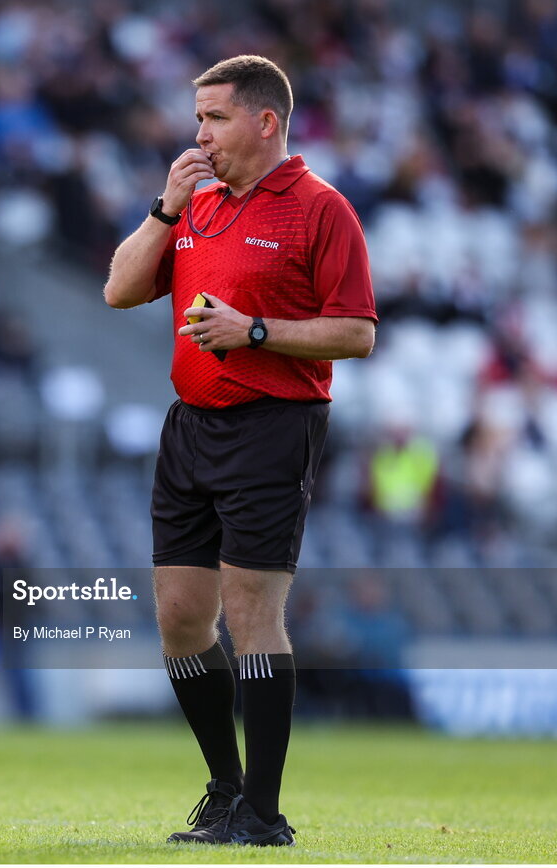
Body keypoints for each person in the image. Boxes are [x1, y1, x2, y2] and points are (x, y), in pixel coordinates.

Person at [103, 55, 377, 846]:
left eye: (214, 118)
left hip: (273, 425)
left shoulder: (322, 210)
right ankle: (224, 791)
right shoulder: (198, 204)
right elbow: (118, 291)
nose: (200, 134)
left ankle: (264, 814)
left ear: (266, 122)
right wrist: (163, 209)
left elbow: (356, 332)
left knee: (255, 614)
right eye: (198, 118)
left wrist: (252, 330)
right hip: (188, 425)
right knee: (182, 620)